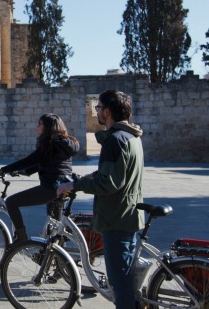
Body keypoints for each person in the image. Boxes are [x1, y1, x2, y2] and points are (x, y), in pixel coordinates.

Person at [58, 90, 144, 309]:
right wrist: (91, 176)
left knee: (120, 283)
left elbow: (109, 184)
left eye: (98, 108)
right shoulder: (132, 136)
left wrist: (74, 185)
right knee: (127, 279)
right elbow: (118, 174)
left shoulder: (115, 140)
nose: (96, 112)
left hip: (117, 218)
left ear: (107, 110)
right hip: (130, 215)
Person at [0, 113, 80, 243]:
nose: (36, 126)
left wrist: (3, 170)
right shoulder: (63, 144)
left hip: (51, 188)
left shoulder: (50, 144)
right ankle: (59, 259)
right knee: (55, 227)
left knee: (11, 202)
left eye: (40, 124)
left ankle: (21, 240)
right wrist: (23, 172)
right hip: (63, 187)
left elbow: (29, 160)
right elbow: (44, 163)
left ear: (48, 127)